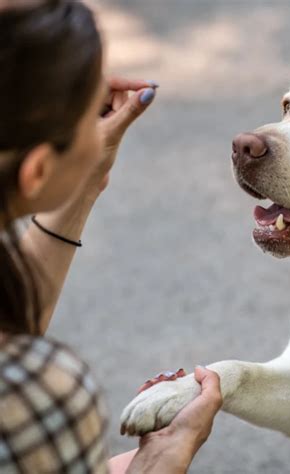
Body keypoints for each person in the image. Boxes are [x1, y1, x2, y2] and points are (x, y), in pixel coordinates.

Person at [0, 0, 222, 472]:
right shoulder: (37, 395)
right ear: (37, 168)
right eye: (86, 110)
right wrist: (159, 463)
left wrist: (82, 185)